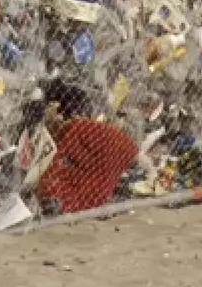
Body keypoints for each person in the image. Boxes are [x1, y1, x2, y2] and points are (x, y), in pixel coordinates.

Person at [28, 80, 140, 217]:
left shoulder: (81, 129)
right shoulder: (82, 130)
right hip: (93, 189)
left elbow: (56, 163)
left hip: (88, 186)